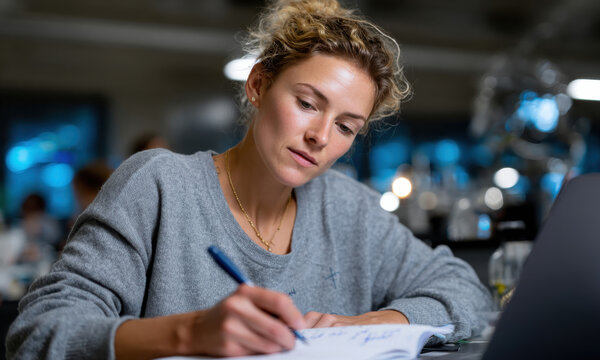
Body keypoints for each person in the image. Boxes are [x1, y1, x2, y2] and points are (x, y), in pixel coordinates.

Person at [6, 0, 493, 359]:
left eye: (347, 127)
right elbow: (39, 330)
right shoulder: (159, 186)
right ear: (258, 85)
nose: (321, 136)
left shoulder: (348, 207)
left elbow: (464, 289)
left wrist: (373, 322)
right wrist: (189, 334)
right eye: (307, 103)